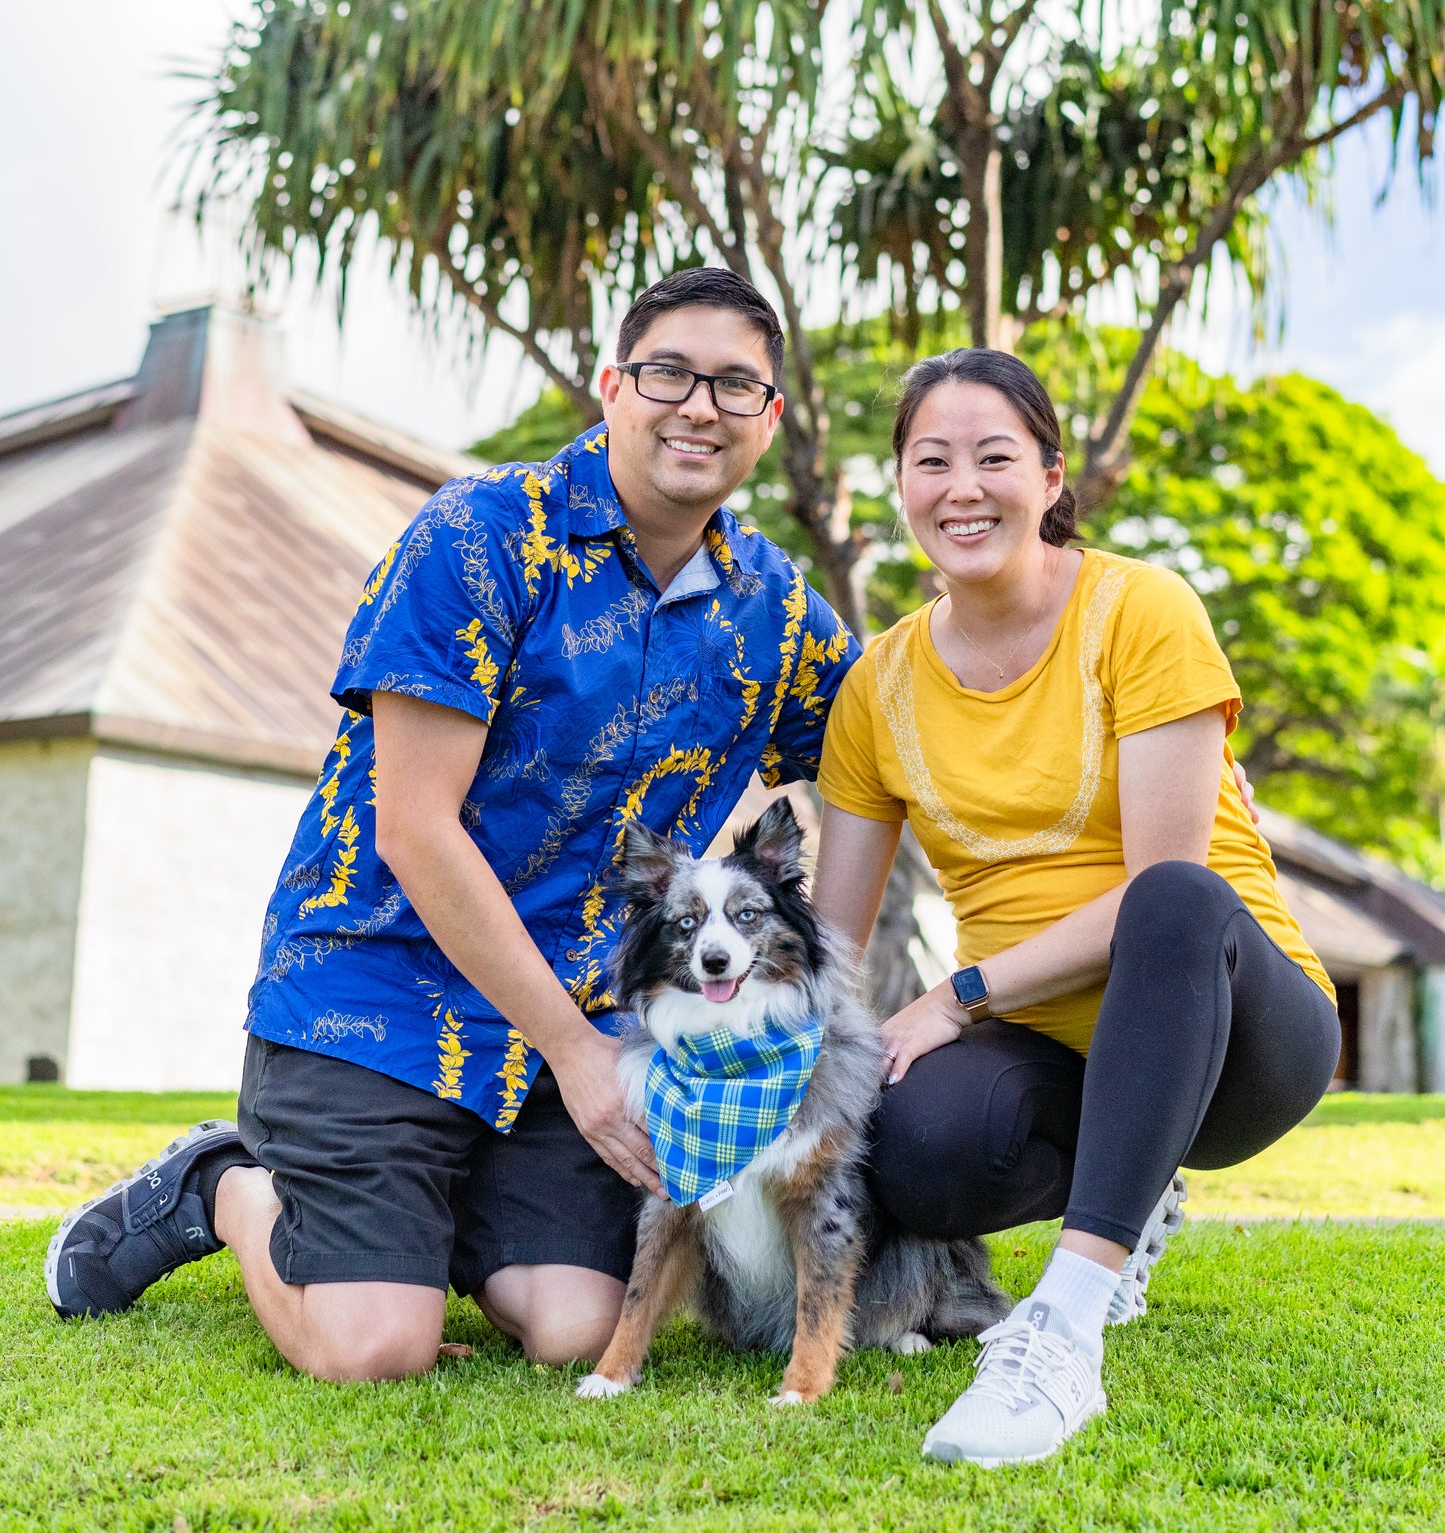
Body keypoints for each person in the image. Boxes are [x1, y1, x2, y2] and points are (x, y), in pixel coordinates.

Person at [47, 269, 858, 1380]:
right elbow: (415, 829)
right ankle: (221, 1182)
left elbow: (880, 758)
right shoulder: (480, 537)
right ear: (614, 385)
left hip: (568, 1023)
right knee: (376, 1346)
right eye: (669, 372)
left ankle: (437, 1215)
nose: (699, 405)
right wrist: (576, 1052)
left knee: (577, 1326)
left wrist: (832, 1001)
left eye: (735, 385)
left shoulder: (774, 609)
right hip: (380, 992)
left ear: (768, 418)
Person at [812, 346, 1339, 1469]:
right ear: (899, 483)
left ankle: (1062, 1327)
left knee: (1175, 899)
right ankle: (1128, 1191)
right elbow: (831, 945)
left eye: (994, 456)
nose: (963, 486)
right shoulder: (877, 684)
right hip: (1050, 1047)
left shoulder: (1140, 610)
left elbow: (1159, 890)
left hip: (1240, 1032)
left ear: (1050, 479)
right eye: (930, 459)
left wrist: (956, 994)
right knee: (914, 1148)